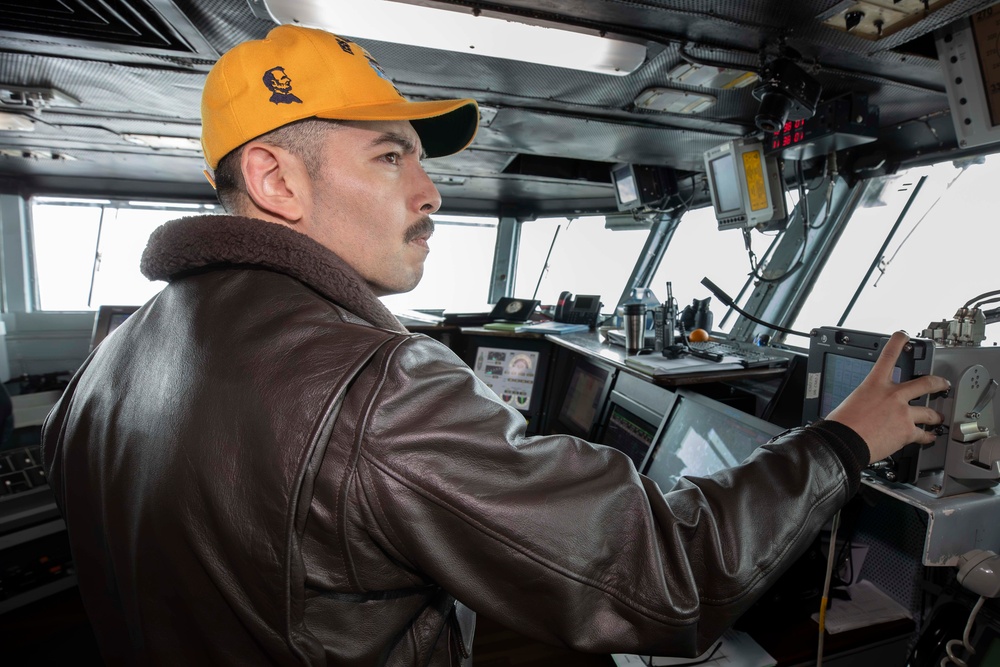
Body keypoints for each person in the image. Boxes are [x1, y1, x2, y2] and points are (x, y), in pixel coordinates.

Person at [42, 24, 948, 666]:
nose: (431, 191)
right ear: (275, 178)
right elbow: (664, 579)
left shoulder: (108, 366)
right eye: (392, 156)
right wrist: (843, 438)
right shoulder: (377, 386)